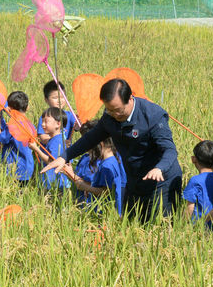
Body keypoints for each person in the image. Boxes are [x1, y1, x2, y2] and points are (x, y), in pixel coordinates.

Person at [41, 78, 183, 223]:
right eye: (109, 110)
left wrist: (159, 168)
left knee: (160, 228)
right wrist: (64, 157)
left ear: (130, 99)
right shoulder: (110, 115)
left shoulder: (152, 116)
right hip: (134, 180)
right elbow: (91, 138)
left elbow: (169, 150)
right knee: (131, 227)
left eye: (118, 110)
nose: (114, 114)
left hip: (160, 181)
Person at [63, 136, 127, 217]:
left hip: (102, 215)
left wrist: (85, 187)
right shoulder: (111, 161)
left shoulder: (107, 166)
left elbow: (105, 192)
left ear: (100, 143)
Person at [0, 91, 35, 186]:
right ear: (27, 107)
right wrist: (3, 121)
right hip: (28, 168)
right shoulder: (30, 125)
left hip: (16, 170)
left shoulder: (13, 126)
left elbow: (0, 141)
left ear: (9, 109)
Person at [183, 140, 213, 229]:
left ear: (194, 159)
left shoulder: (195, 181)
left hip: (198, 227)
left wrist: (182, 226)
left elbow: (190, 208)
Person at [31, 107, 71, 191]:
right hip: (50, 181)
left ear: (58, 124)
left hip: (53, 184)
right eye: (42, 121)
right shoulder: (54, 139)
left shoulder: (57, 141)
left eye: (46, 121)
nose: (42, 124)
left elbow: (52, 161)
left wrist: (36, 149)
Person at [36, 80, 77, 145]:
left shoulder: (70, 115)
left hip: (65, 153)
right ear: (46, 100)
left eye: (62, 97)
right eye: (55, 98)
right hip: (49, 153)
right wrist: (59, 143)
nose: (60, 101)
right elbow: (43, 138)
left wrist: (79, 123)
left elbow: (78, 127)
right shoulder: (45, 117)